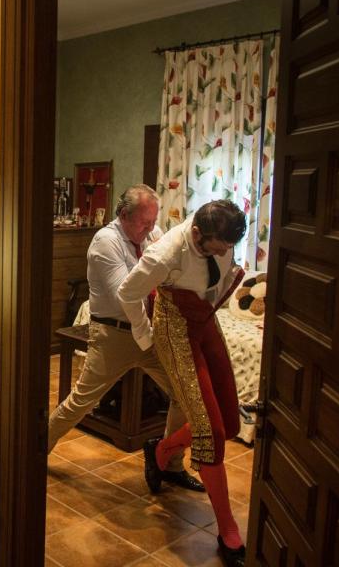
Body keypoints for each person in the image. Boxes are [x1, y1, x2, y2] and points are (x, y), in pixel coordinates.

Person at [48, 184, 204, 493]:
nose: (150, 229)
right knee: (81, 402)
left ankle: (169, 464)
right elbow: (126, 295)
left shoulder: (151, 234)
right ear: (123, 215)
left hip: (149, 332)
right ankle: (36, 450)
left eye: (153, 221)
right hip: (114, 336)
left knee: (185, 394)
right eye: (144, 222)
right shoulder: (105, 243)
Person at [117, 199, 248, 567]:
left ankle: (161, 451)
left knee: (230, 420)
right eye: (220, 246)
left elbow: (220, 275)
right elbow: (128, 292)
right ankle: (227, 530)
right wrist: (146, 339)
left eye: (230, 245)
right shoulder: (164, 255)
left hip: (204, 320)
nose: (226, 251)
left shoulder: (220, 234)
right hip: (174, 327)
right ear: (196, 234)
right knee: (209, 430)